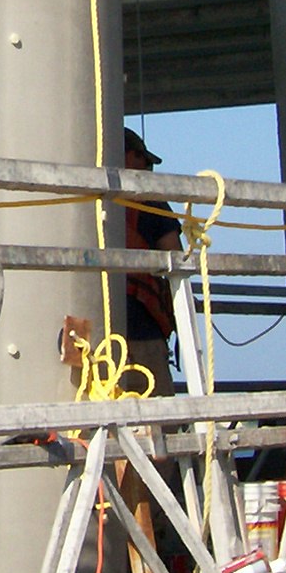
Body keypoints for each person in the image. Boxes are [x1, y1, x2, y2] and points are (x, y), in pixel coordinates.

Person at [123, 126, 182, 400]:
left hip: (90, 334)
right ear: (129, 157)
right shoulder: (151, 202)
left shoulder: (81, 197)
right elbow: (176, 259)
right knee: (157, 421)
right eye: (144, 160)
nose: (148, 169)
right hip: (142, 327)